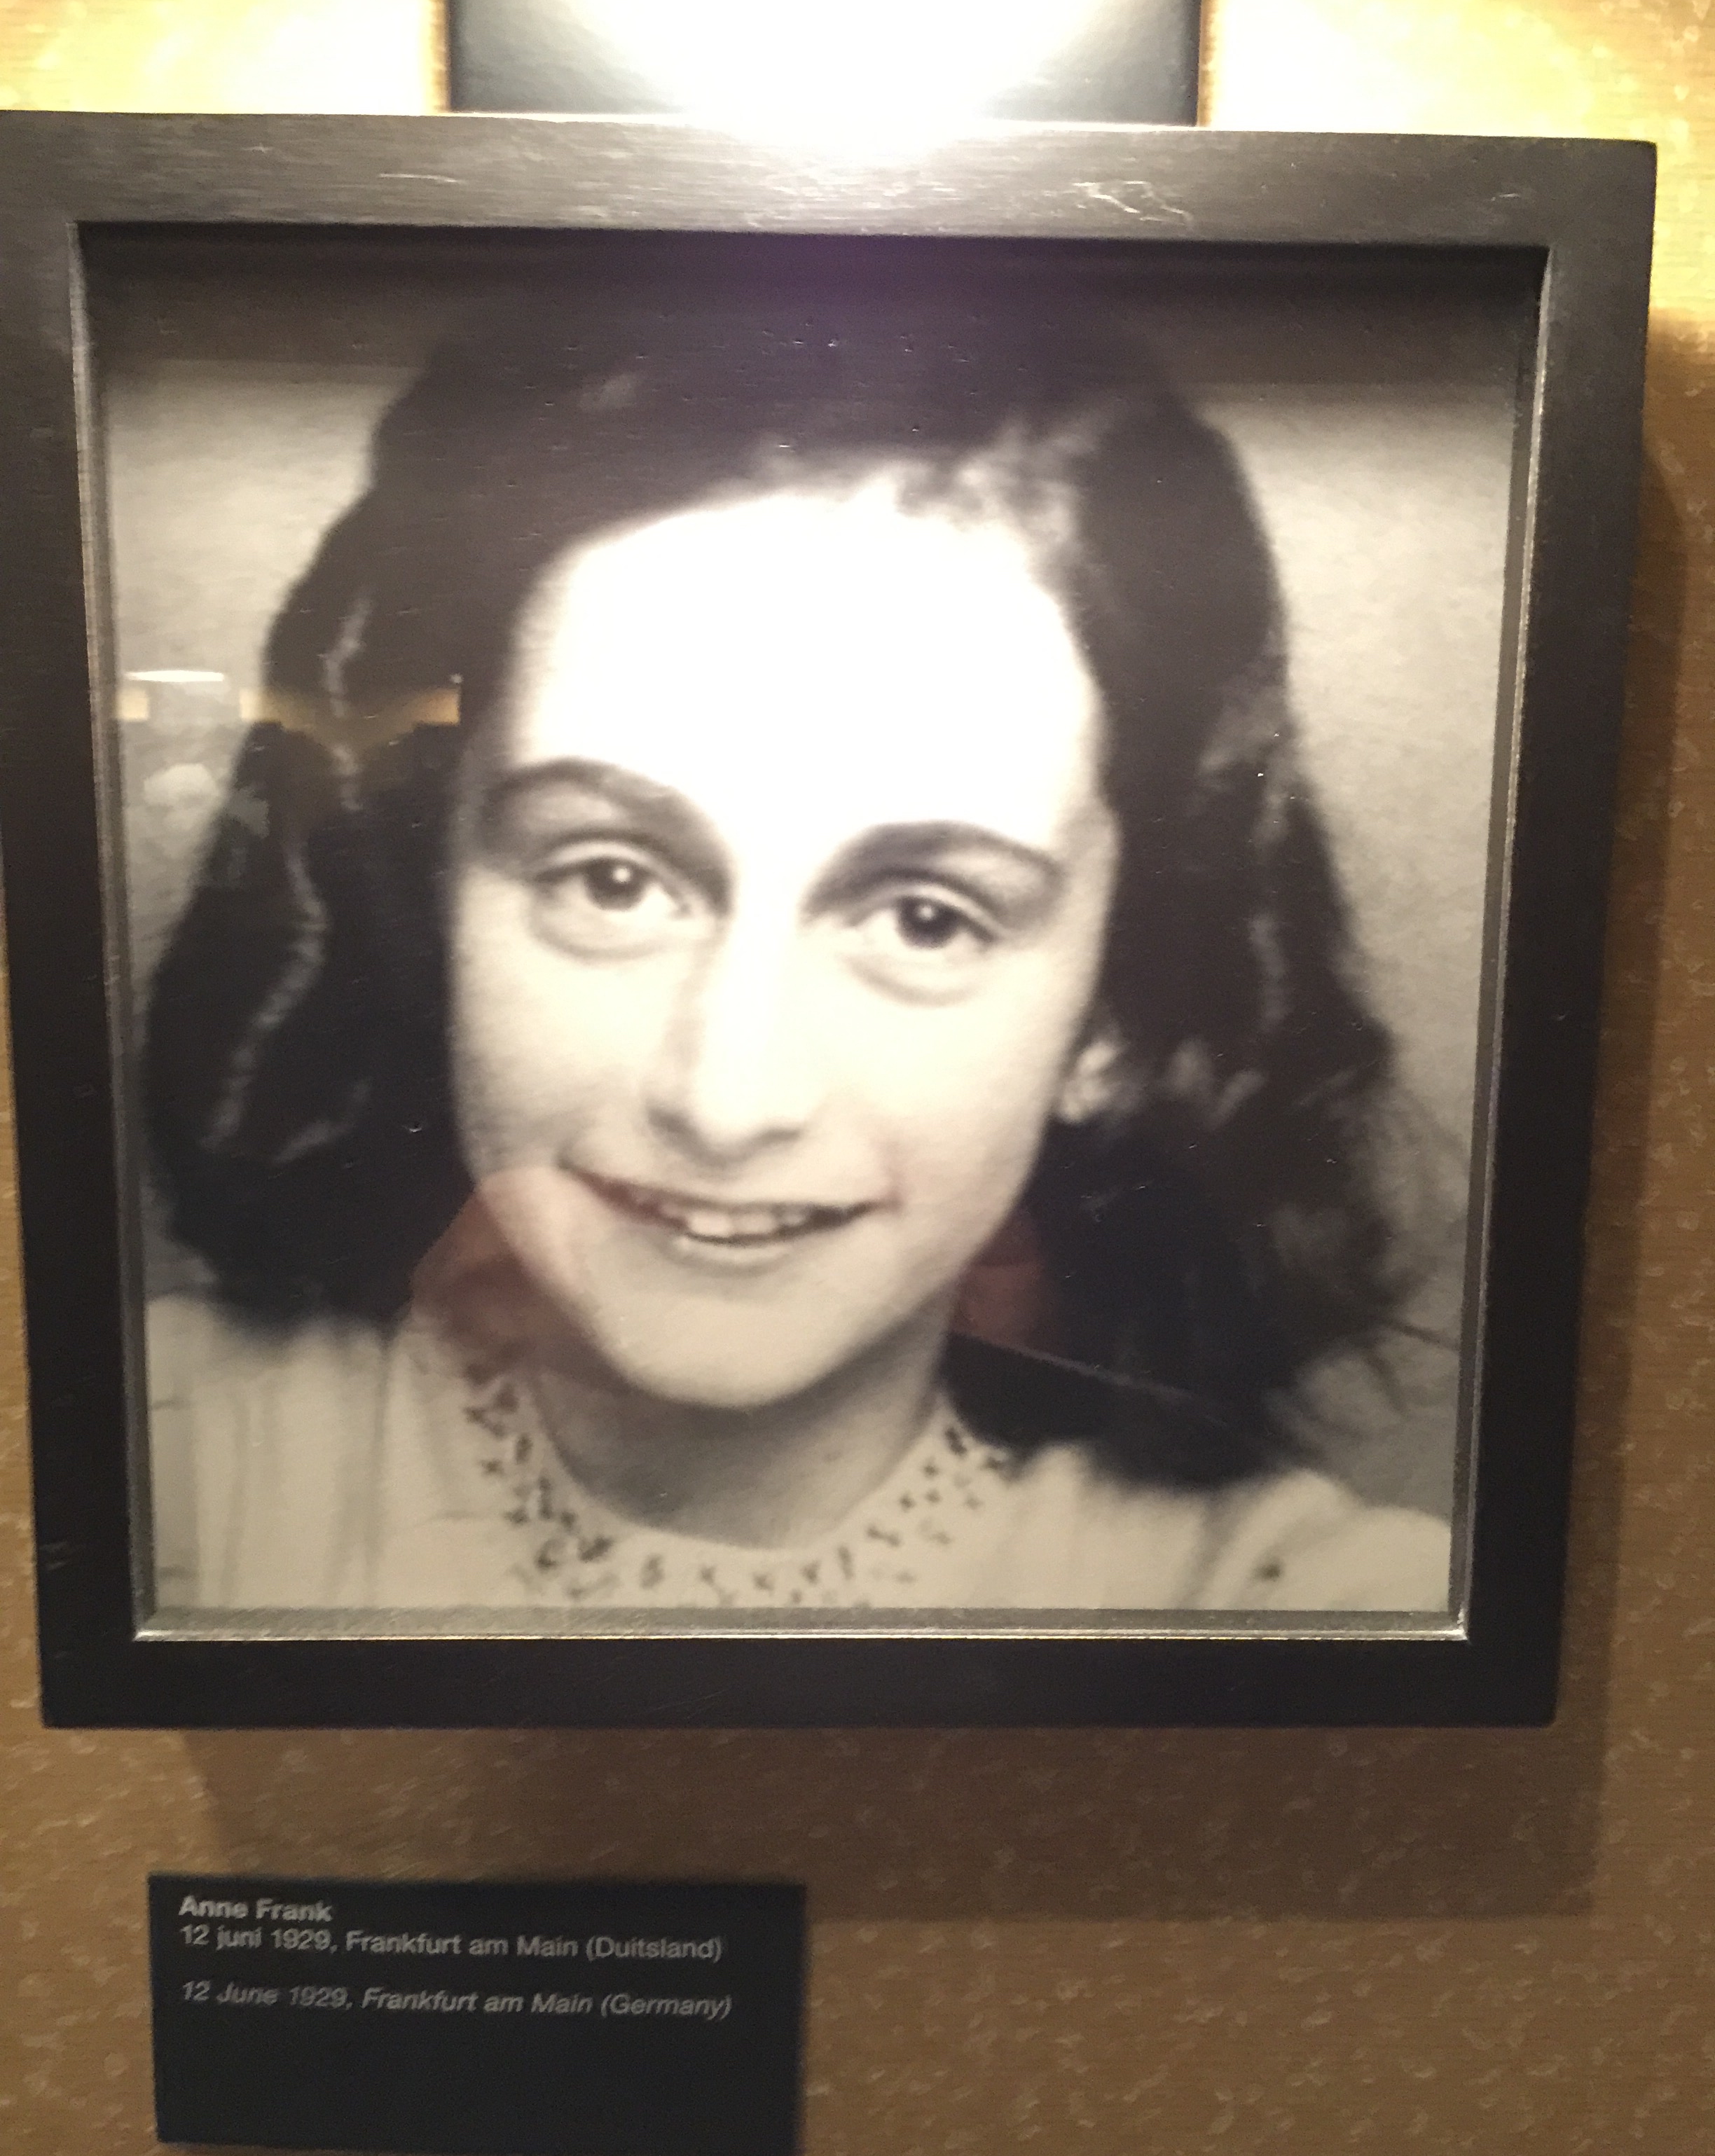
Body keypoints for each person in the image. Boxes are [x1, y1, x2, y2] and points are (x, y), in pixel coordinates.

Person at [142, 286, 1451, 1614]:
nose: (728, 1100)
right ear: (428, 895)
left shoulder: (1313, 1618)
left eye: (926, 917)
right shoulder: (142, 1471)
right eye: (612, 881)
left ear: (1117, 1011)